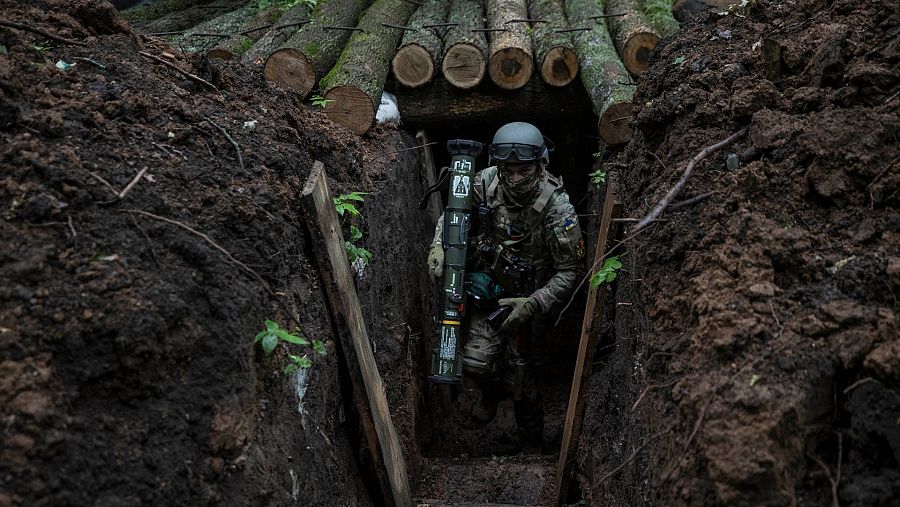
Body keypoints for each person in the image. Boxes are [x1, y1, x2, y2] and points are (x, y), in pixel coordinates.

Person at [426, 122, 585, 450]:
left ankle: (532, 445)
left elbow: (570, 271)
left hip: (532, 300)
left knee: (522, 378)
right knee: (475, 362)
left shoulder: (557, 207)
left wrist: (533, 303)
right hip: (490, 290)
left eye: (523, 170)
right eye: (508, 170)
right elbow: (454, 212)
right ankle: (489, 395)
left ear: (540, 165)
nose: (514, 178)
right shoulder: (485, 182)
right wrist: (439, 245)